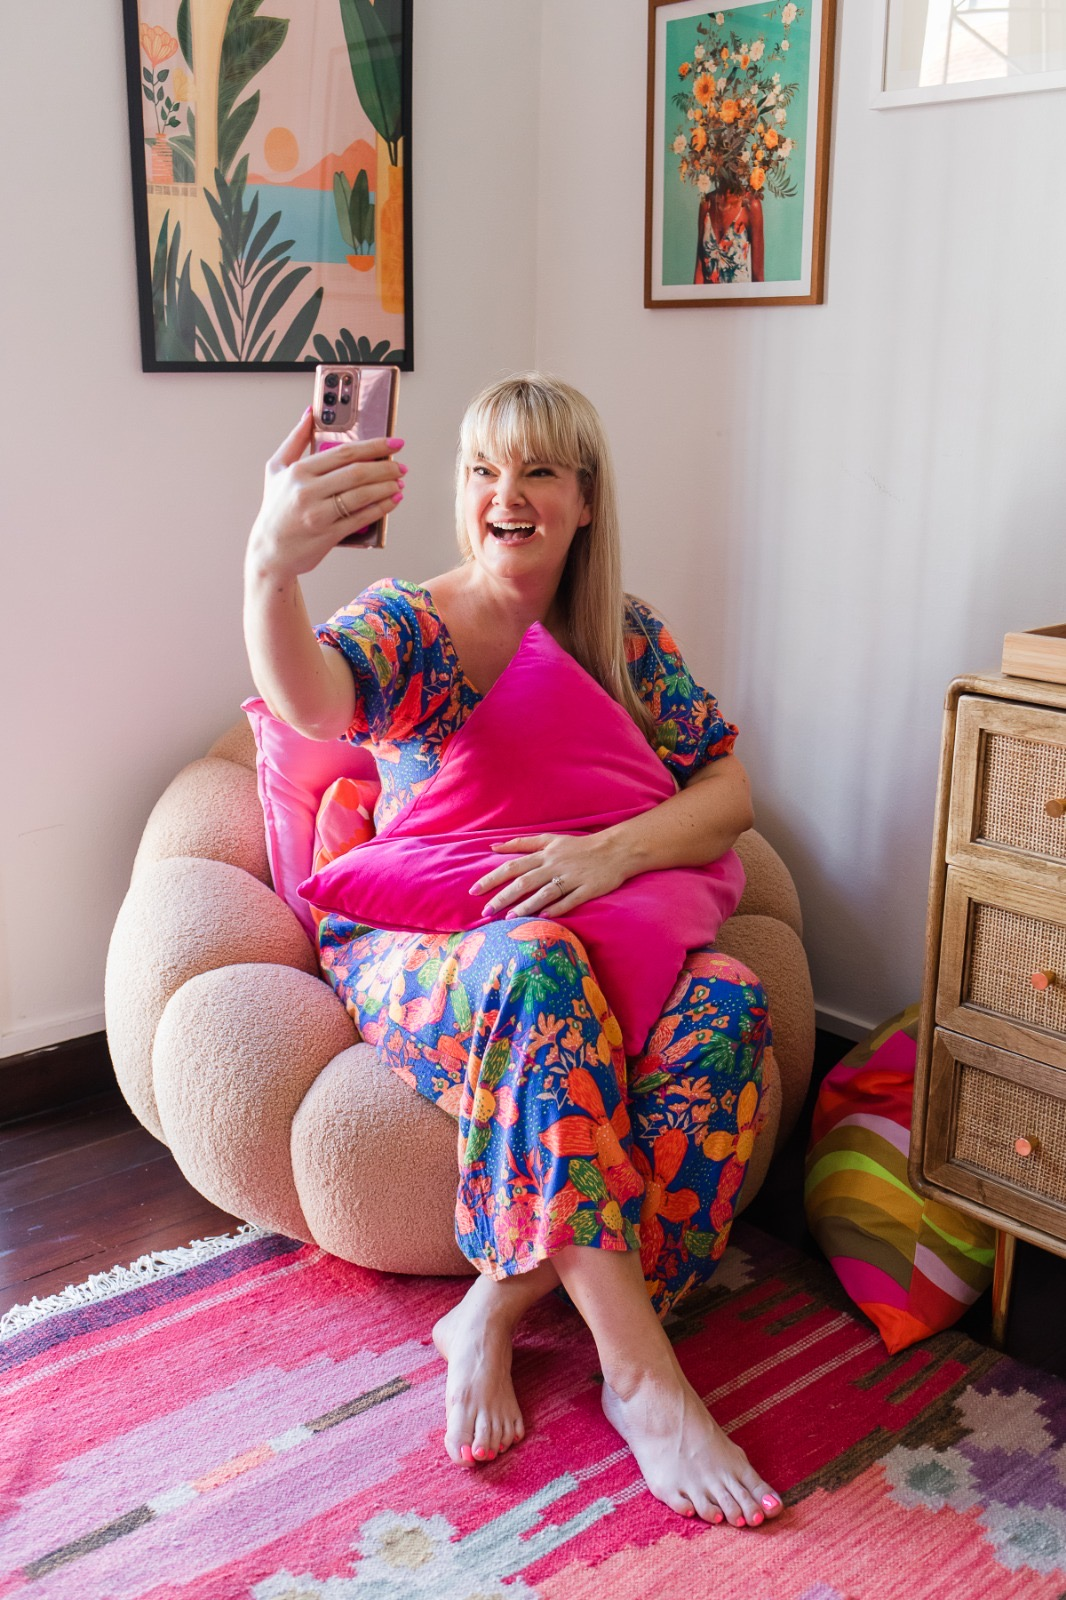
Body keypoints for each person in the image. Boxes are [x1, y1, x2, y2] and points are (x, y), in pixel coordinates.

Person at [243, 373, 782, 1529]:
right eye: (483, 469)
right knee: (535, 961)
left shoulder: (627, 638)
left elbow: (726, 787)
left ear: (584, 498)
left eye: (538, 469)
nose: (508, 493)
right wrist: (270, 567)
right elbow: (311, 698)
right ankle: (641, 1376)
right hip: (423, 948)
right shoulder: (413, 625)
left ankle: (490, 1308)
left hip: (578, 932)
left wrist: (616, 852)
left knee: (732, 1005)